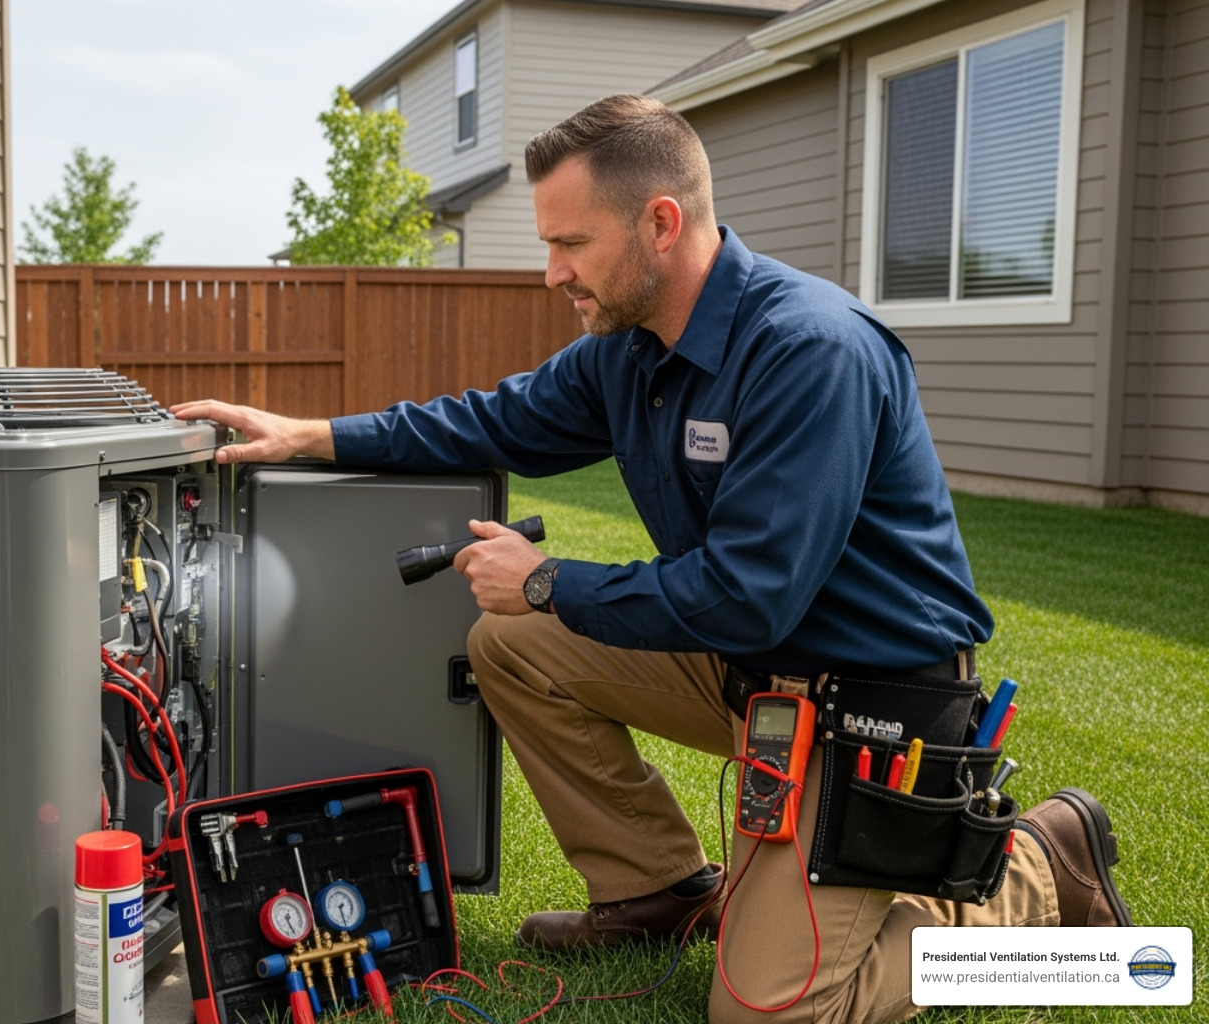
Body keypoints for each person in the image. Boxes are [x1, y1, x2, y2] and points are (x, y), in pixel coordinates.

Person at [169, 95, 1132, 1024]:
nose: (552, 273)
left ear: (660, 223)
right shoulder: (630, 351)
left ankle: (1039, 871)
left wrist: (548, 580)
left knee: (773, 1012)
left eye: (569, 244)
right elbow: (487, 421)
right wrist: (309, 435)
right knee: (514, 645)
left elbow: (748, 596)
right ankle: (660, 889)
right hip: (756, 678)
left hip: (873, 711)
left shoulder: (810, 352)